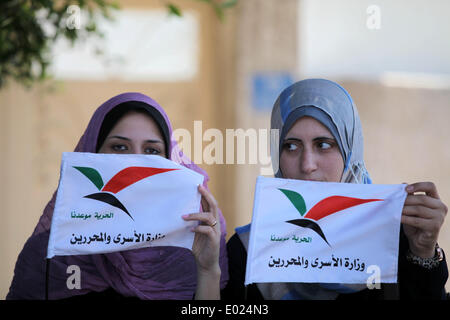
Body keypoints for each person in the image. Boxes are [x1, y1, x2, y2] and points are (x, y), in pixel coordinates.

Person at [222, 79, 448, 300]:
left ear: (351, 152)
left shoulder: (396, 239)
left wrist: (423, 253)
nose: (307, 165)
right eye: (291, 146)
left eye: (323, 145)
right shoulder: (248, 251)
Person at [7, 92, 228, 300]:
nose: (135, 165)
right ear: (93, 151)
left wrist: (207, 271)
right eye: (120, 147)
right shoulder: (50, 252)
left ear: (170, 160)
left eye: (152, 151)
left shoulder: (194, 247)